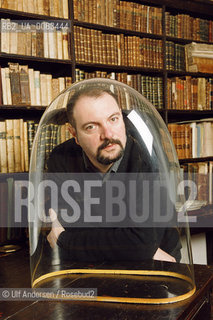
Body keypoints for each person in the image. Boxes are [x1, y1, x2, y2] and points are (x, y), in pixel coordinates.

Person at [46, 86, 181, 263]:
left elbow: (142, 242)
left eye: (113, 119)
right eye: (91, 126)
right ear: (74, 134)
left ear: (122, 119)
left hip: (161, 261)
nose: (108, 134)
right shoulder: (60, 159)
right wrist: (136, 246)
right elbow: (71, 227)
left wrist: (64, 242)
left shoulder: (147, 156)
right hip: (94, 266)